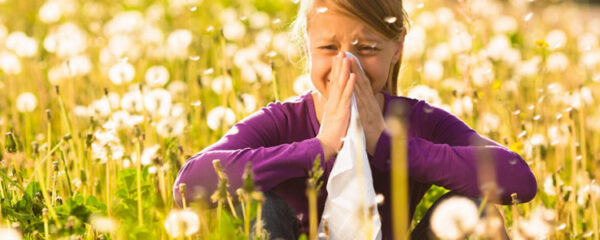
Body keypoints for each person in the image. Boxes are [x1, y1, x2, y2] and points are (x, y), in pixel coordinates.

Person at [173, 0, 538, 239]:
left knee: (479, 212)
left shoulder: (417, 120)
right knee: (261, 206)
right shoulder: (282, 121)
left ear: (396, 49)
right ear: (307, 47)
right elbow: (188, 186)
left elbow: (518, 179)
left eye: (367, 49)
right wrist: (320, 148)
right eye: (329, 48)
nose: (347, 65)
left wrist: (388, 145)